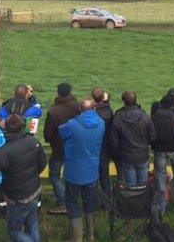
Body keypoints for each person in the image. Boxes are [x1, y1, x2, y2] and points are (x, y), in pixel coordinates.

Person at [0, 114, 47, 242]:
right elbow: (42, 163)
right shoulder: (33, 141)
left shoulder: (5, 150)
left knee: (14, 231)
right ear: (22, 126)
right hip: (35, 190)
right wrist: (32, 176)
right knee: (32, 225)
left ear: (6, 129)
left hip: (18, 197)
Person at [59, 98, 105, 242]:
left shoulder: (72, 125)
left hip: (74, 171)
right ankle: (90, 235)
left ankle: (77, 238)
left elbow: (61, 132)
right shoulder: (101, 124)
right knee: (90, 202)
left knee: (72, 203)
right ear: (95, 108)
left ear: (80, 108)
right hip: (92, 170)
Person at [43, 82, 80, 215]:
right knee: (70, 173)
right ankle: (71, 199)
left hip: (59, 147)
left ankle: (63, 202)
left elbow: (47, 133)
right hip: (76, 146)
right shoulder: (79, 107)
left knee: (54, 174)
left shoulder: (53, 111)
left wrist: (51, 140)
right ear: (70, 92)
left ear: (58, 93)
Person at [110, 91, 156, 186]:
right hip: (141, 155)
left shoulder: (118, 118)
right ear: (136, 101)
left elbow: (114, 141)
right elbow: (153, 136)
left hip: (127, 156)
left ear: (123, 101)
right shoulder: (145, 117)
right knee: (142, 185)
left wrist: (118, 153)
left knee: (131, 185)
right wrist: (144, 145)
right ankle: (141, 199)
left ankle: (133, 199)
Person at [91, 87, 115, 196]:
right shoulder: (108, 112)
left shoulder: (93, 113)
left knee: (93, 176)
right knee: (104, 176)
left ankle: (94, 199)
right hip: (104, 149)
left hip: (94, 149)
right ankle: (106, 201)